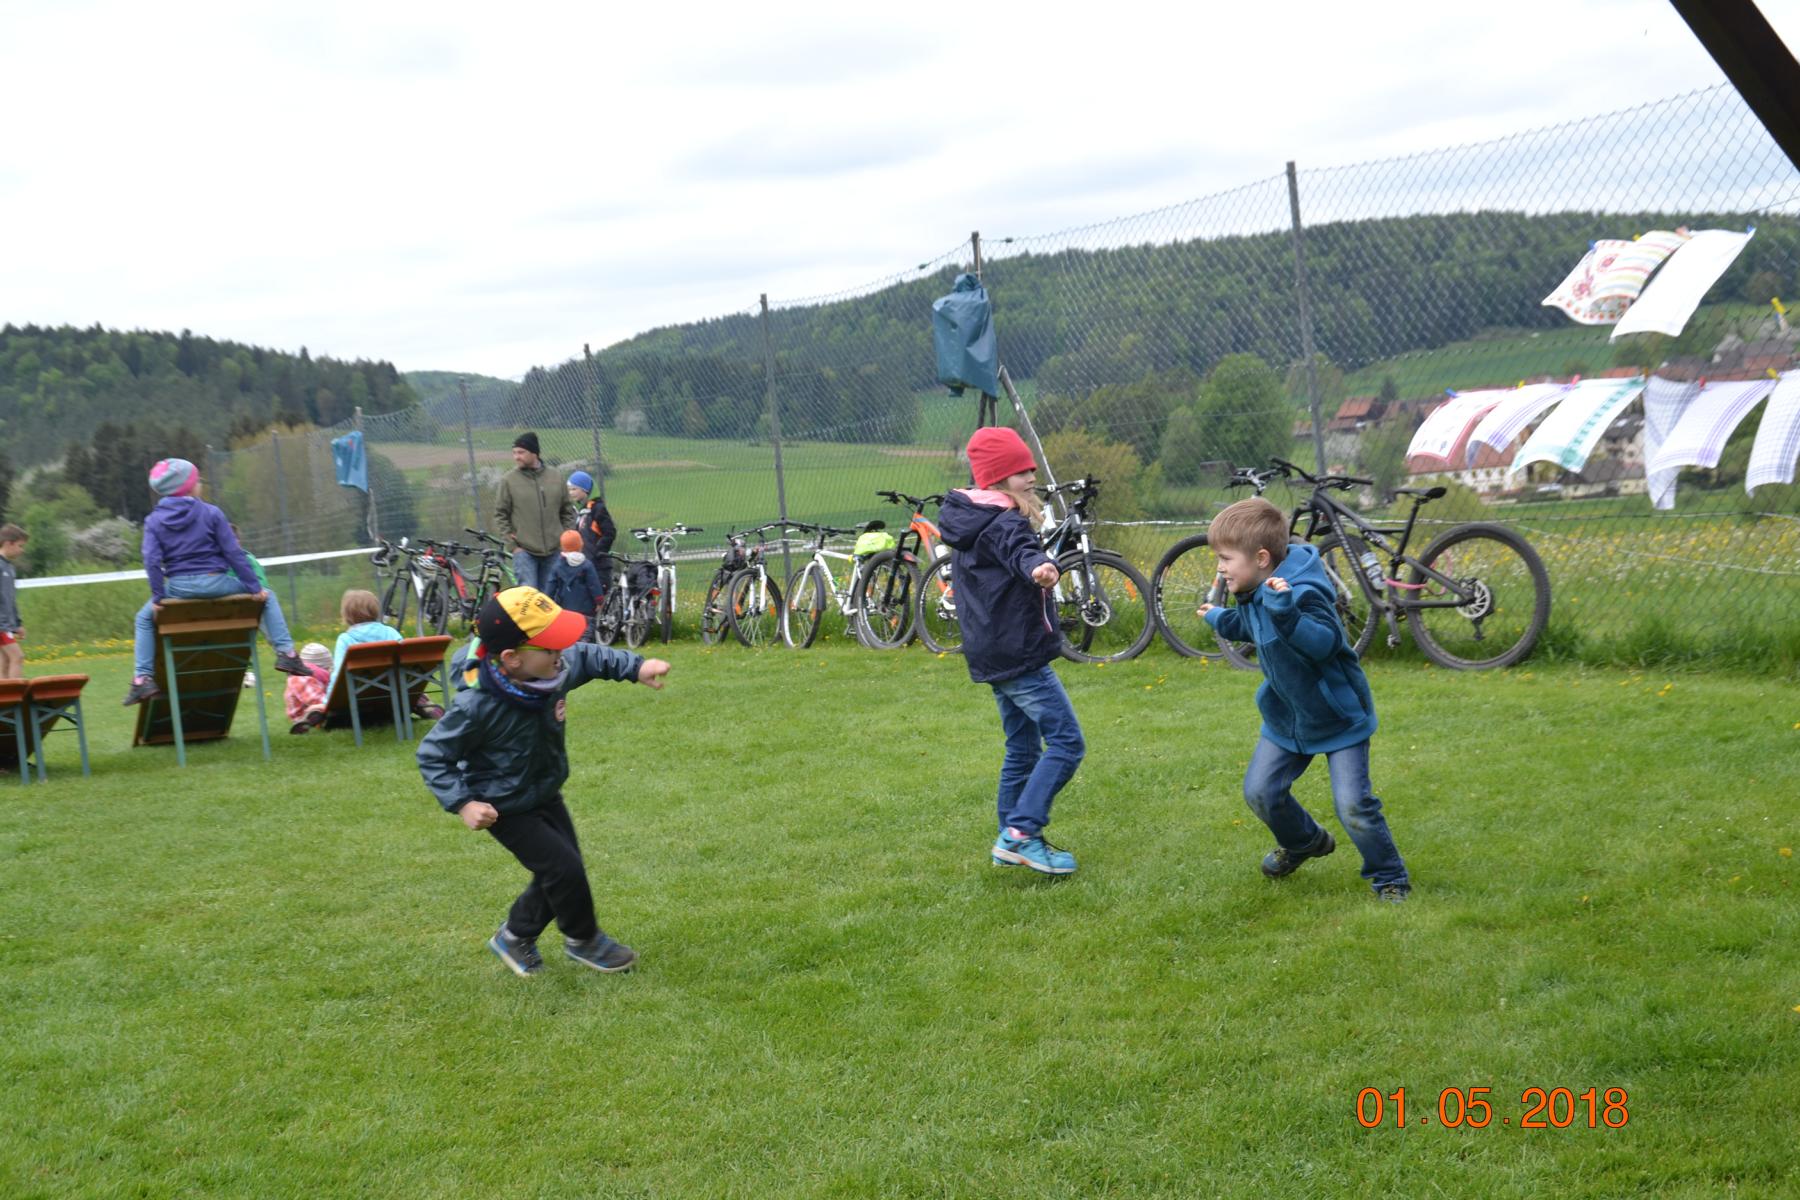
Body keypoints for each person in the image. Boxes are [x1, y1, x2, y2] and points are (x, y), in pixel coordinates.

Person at [416, 587, 670, 977]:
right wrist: (464, 802)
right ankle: (584, 940)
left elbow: (589, 655)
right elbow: (433, 754)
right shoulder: (477, 705)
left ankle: (515, 936)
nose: (560, 653)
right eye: (550, 647)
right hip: (503, 804)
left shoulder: (552, 669)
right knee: (563, 869)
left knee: (563, 870)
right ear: (511, 658)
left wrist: (636, 668)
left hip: (545, 790)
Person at [1199, 496, 1410, 903]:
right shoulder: (1257, 588)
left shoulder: (1302, 592)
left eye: (1225, 558)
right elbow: (1250, 623)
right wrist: (1219, 618)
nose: (1220, 568)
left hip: (1337, 715)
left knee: (1354, 805)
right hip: (1288, 715)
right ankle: (1305, 842)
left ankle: (1390, 877)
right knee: (1261, 791)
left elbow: (1324, 643)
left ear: (1261, 558)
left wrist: (1287, 614)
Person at [936, 426, 1085, 876]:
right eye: (1022, 470)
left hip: (992, 652)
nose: (1032, 476)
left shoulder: (972, 520)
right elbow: (1020, 552)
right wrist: (1041, 566)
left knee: (1022, 746)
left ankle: (1013, 839)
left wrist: (1033, 562)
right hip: (1018, 654)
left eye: (1031, 467)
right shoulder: (1003, 522)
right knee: (1066, 742)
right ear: (999, 478)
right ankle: (1021, 833)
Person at [126, 459, 308, 706]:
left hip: (178, 588)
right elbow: (233, 553)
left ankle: (142, 679)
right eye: (197, 480)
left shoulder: (154, 521)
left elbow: (151, 560)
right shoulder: (211, 513)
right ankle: (286, 653)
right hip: (216, 583)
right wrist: (254, 588)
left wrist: (158, 597)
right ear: (188, 486)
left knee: (143, 618)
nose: (200, 484)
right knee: (269, 597)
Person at [327, 589, 444, 722]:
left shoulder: (346, 639)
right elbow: (406, 664)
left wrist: (328, 700)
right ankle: (421, 702)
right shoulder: (390, 633)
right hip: (393, 693)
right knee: (405, 685)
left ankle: (318, 713)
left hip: (359, 696)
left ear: (347, 614)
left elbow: (338, 674)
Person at [493, 432, 574, 591]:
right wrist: (513, 546)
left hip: (554, 550)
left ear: (534, 453)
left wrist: (565, 538)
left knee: (551, 597)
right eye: (514, 453)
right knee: (529, 596)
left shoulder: (555, 477)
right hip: (524, 551)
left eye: (521, 452)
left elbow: (567, 510)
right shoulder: (508, 480)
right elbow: (500, 514)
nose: (516, 457)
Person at [545, 530, 606, 639]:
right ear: (581, 545)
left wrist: (548, 603)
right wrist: (599, 601)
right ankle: (584, 644)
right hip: (586, 609)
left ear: (562, 547)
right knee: (585, 632)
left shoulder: (557, 566)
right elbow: (594, 585)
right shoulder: (587, 565)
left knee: (567, 633)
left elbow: (551, 586)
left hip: (565, 608)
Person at [566, 470, 617, 565]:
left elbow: (610, 533)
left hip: (599, 564)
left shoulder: (597, 508)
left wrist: (598, 552)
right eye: (569, 490)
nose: (571, 493)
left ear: (585, 490)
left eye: (574, 489)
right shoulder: (582, 510)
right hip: (585, 561)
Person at [285, 642, 332, 733]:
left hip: (315, 706)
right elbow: (314, 698)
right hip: (303, 713)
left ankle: (316, 718)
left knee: (323, 709)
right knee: (321, 709)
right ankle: (308, 720)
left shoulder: (313, 677)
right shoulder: (300, 678)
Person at [0, 523, 26, 680]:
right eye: (20, 546)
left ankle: (5, 694)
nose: (22, 550)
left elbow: (10, 598)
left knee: (5, 661)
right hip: (1, 625)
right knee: (17, 656)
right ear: (8, 543)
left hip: (6, 625)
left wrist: (17, 624)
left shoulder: (9, 567)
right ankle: (16, 693)